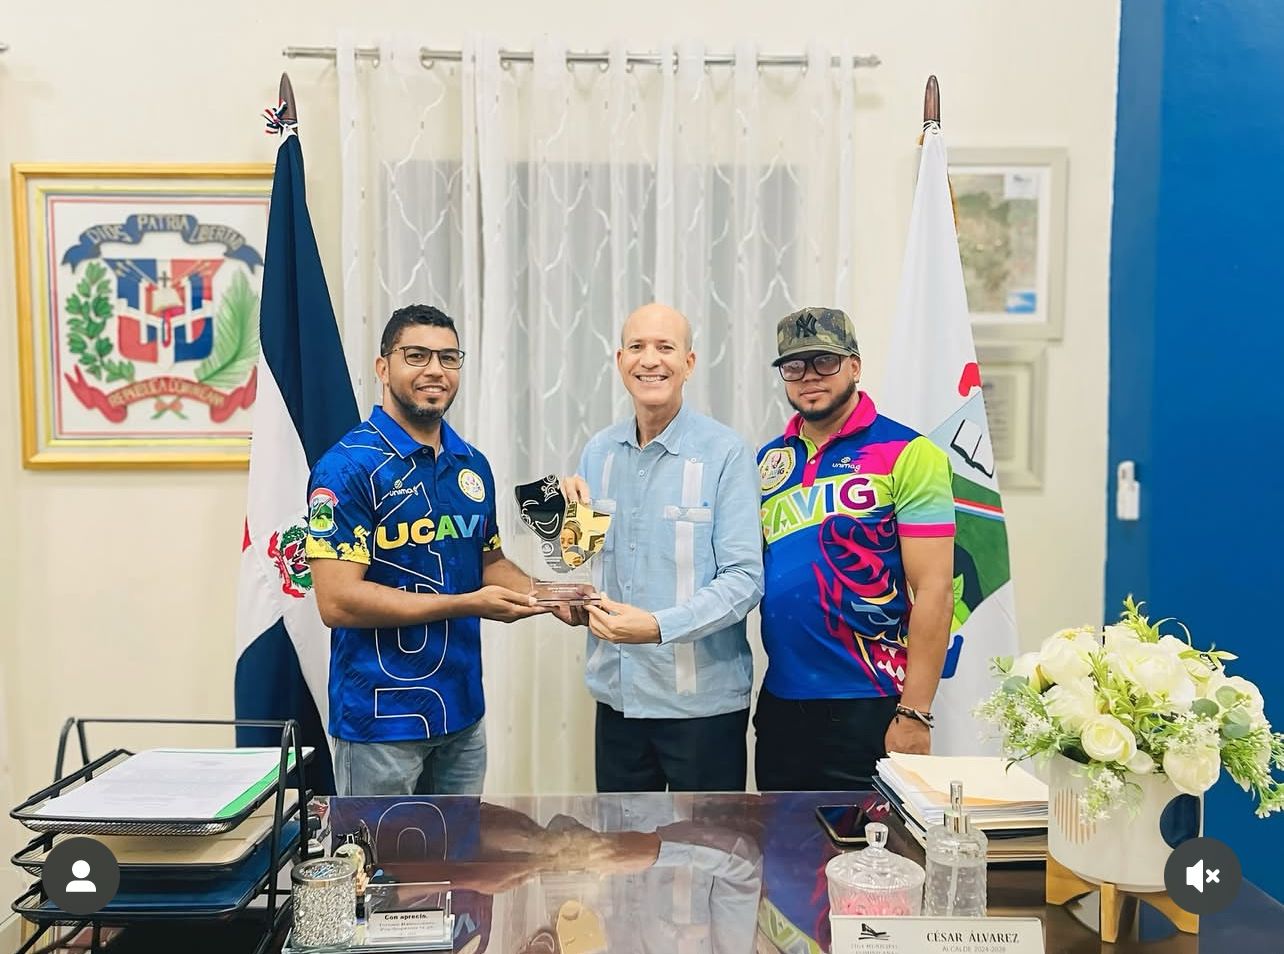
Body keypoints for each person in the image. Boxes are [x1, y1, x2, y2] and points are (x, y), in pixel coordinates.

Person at [307, 303, 568, 796]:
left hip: (462, 714)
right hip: (380, 723)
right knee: (380, 850)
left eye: (448, 358)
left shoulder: (472, 464)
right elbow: (337, 602)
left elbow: (487, 562)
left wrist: (553, 596)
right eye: (416, 355)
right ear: (383, 367)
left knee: (460, 848)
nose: (435, 370)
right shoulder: (346, 467)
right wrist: (467, 604)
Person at [563, 303, 764, 793]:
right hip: (618, 700)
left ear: (688, 363)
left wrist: (656, 627)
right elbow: (578, 559)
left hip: (702, 710)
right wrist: (563, 523)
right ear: (620, 361)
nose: (649, 360)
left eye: (665, 347)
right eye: (637, 347)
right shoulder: (598, 452)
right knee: (622, 841)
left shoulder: (725, 453)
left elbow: (744, 580)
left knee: (708, 843)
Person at [754, 306, 956, 791]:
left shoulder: (909, 453)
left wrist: (916, 712)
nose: (809, 377)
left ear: (855, 366)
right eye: (794, 366)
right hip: (782, 703)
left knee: (872, 842)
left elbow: (935, 590)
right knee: (777, 839)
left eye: (824, 361)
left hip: (871, 703)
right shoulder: (768, 460)